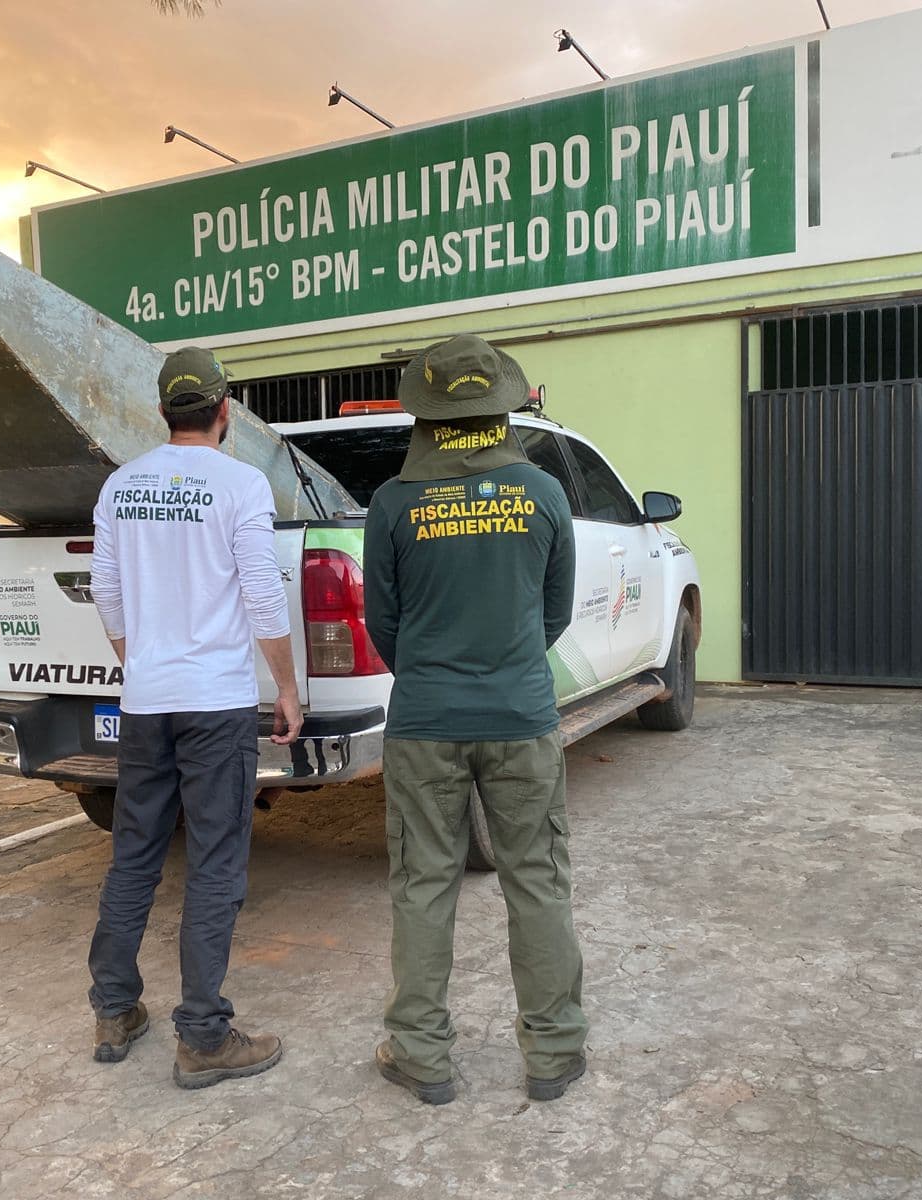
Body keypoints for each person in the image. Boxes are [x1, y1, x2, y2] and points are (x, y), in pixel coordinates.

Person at [362, 333, 588, 1105]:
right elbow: (552, 615)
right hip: (521, 716)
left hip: (424, 721)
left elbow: (382, 624)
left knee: (423, 885)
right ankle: (553, 1053)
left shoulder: (394, 504)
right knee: (538, 880)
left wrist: (433, 673)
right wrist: (505, 664)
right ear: (504, 408)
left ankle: (422, 1055)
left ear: (425, 414)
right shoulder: (545, 494)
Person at [87, 346, 304, 1090]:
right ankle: (204, 1037)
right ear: (224, 412)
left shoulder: (121, 486)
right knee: (215, 864)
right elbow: (263, 598)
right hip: (213, 704)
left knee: (135, 854)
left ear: (161, 412)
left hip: (147, 701)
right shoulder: (242, 485)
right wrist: (287, 687)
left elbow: (107, 593)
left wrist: (140, 663)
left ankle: (115, 1010)